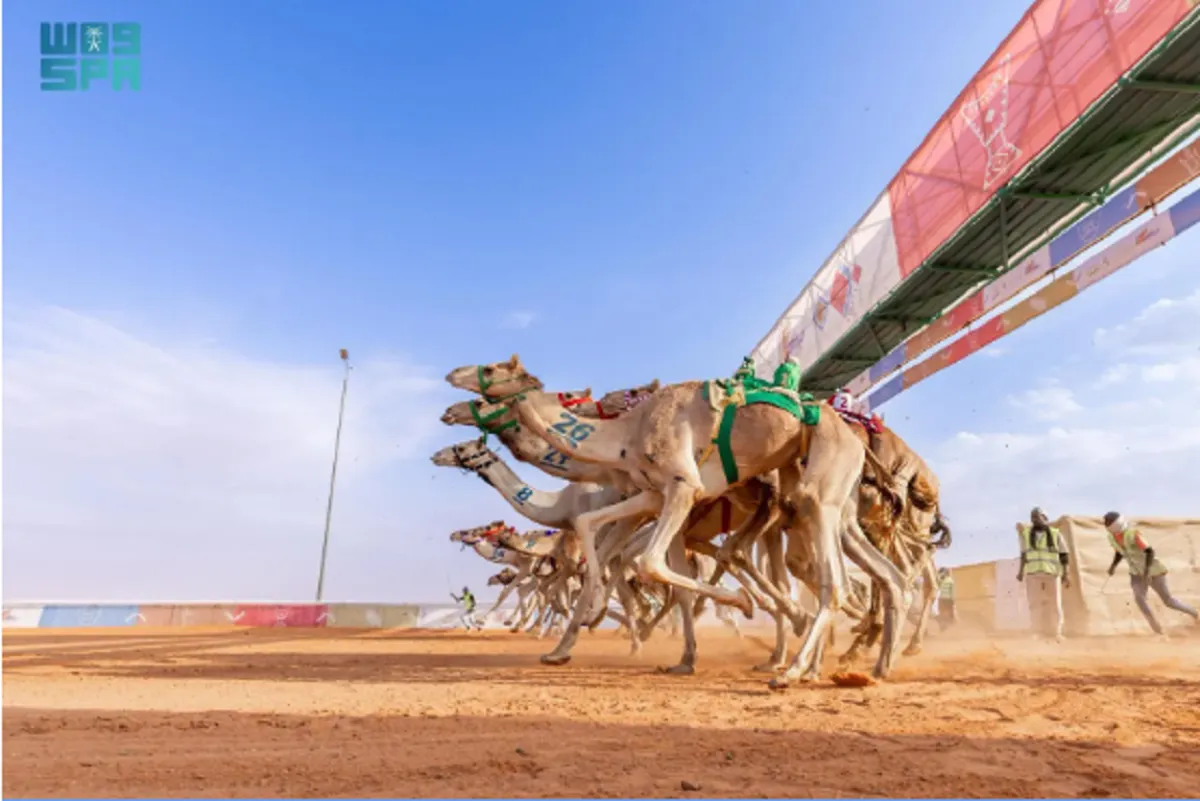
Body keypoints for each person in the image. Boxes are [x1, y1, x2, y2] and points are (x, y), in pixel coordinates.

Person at [1104, 511, 1199, 635]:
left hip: (1154, 571)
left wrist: (1147, 572)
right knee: (1140, 600)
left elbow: (1149, 551)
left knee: (1168, 601)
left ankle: (1195, 614)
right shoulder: (1111, 537)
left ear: (1116, 523)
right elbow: (1119, 552)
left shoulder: (1133, 534)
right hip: (1136, 573)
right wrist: (1113, 566)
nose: (1106, 524)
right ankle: (1158, 631)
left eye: (1108, 522)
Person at [1017, 507, 1070, 642]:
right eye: (1032, 517)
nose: (1034, 519)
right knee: (1034, 604)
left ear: (1045, 518)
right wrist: (1021, 571)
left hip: (1052, 573)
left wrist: (1066, 574)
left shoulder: (1055, 534)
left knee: (1055, 604)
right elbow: (1023, 554)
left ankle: (1057, 632)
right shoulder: (1026, 534)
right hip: (1033, 573)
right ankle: (1036, 632)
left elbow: (1064, 555)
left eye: (1037, 516)